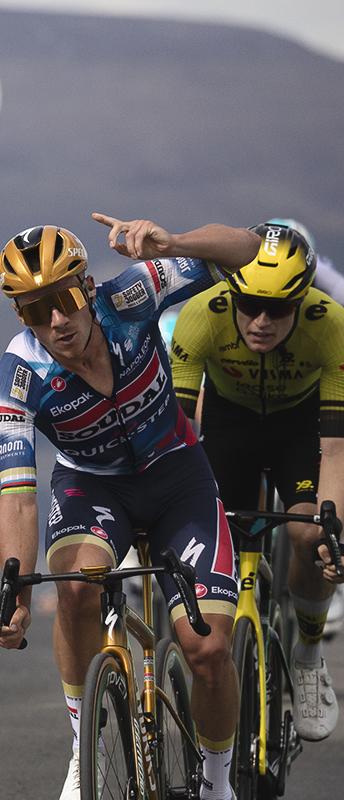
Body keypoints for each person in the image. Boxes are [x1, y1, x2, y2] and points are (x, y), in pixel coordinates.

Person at [0, 214, 262, 800]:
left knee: (209, 649)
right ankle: (86, 747)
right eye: (37, 310)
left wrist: (175, 242)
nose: (56, 320)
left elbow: (249, 249)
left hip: (177, 475)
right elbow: (17, 492)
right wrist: (14, 594)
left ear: (86, 287)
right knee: (78, 589)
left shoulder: (135, 294)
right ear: (21, 317)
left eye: (63, 298)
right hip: (94, 488)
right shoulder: (19, 375)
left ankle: (216, 784)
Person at [169, 223, 344, 743]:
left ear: (304, 300)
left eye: (280, 309)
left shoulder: (331, 325)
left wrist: (332, 523)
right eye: (248, 304)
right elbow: (177, 441)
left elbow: (335, 449)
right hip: (230, 425)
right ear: (230, 292)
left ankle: (308, 655)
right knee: (216, 532)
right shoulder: (202, 316)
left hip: (300, 426)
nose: (262, 321)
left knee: (309, 536)